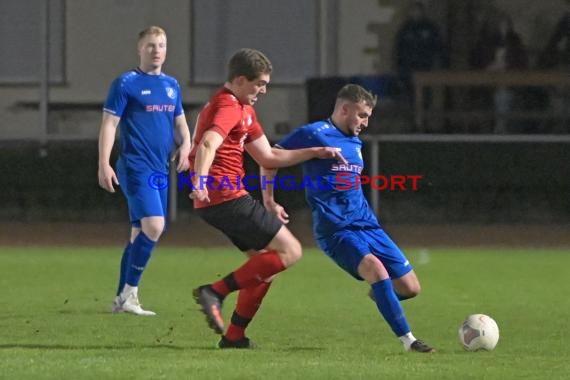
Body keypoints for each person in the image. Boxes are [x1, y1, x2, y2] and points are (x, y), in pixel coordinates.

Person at [189, 48, 345, 349]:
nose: (263, 90)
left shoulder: (244, 110)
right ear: (238, 80)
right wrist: (201, 179)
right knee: (291, 251)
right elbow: (208, 143)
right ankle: (215, 292)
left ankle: (234, 337)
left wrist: (314, 152)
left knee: (264, 268)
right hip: (225, 196)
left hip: (220, 200)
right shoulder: (229, 105)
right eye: (258, 83)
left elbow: (269, 155)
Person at [260, 84, 435, 353]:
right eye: (362, 115)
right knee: (376, 270)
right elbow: (269, 158)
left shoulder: (355, 142)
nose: (365, 122)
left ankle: (381, 293)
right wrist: (269, 200)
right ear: (345, 109)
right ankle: (409, 341)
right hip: (335, 230)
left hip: (368, 225)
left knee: (410, 287)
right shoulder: (313, 133)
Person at [98, 26, 191, 316]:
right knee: (155, 225)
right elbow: (109, 125)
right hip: (135, 165)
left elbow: (179, 124)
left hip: (160, 169)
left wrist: (186, 145)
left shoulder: (171, 85)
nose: (157, 50)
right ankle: (129, 295)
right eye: (151, 45)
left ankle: (121, 298)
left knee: (140, 232)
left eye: (161, 45)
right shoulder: (126, 83)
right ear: (140, 49)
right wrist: (104, 163)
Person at [394, 1, 446, 105]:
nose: (415, 13)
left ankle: (424, 117)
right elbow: (399, 49)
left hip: (425, 66)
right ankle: (414, 117)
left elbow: (439, 46)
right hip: (408, 68)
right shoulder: (405, 29)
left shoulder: (430, 27)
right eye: (413, 11)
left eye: (417, 10)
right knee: (409, 95)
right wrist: (399, 67)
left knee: (426, 95)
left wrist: (441, 64)